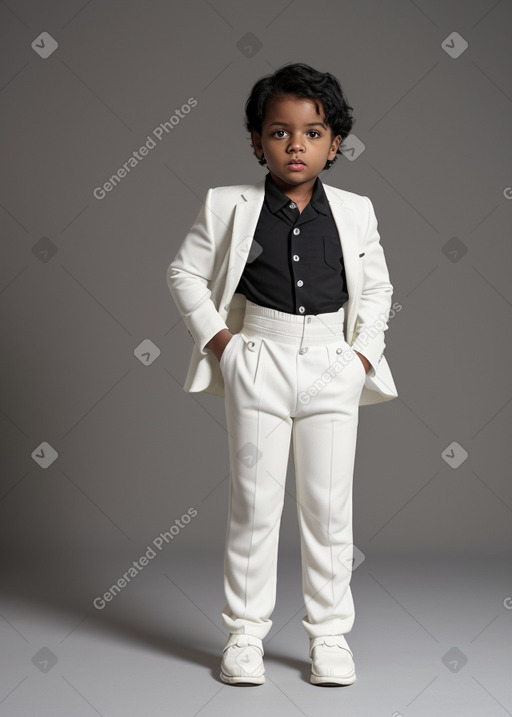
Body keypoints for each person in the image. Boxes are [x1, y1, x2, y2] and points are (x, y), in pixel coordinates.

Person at [166, 62, 398, 687]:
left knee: (329, 511)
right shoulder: (227, 205)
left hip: (332, 363)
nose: (297, 145)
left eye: (313, 132)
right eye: (279, 132)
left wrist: (361, 358)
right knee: (255, 504)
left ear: (336, 142)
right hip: (256, 357)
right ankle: (244, 636)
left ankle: (329, 639)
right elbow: (184, 273)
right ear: (255, 139)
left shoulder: (354, 211)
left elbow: (376, 290)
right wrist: (222, 344)